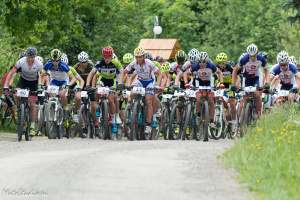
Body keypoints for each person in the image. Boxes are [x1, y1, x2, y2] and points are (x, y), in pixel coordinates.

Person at [119, 47, 161, 134]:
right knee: (132, 93)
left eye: (140, 57)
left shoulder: (149, 63)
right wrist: (120, 83)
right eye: (137, 57)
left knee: (148, 101)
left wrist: (157, 84)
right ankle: (130, 109)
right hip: (140, 81)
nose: (138, 59)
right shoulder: (134, 63)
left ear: (143, 56)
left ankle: (148, 124)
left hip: (149, 82)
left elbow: (159, 74)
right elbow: (124, 72)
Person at [3, 47, 43, 136]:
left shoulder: (39, 64)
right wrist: (6, 85)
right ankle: (19, 109)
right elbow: (11, 73)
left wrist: (40, 86)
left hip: (34, 83)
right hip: (23, 81)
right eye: (29, 57)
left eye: (32, 57)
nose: (30, 59)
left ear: (35, 56)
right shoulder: (21, 61)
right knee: (16, 94)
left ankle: (32, 125)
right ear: (26, 56)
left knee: (32, 104)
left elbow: (40, 75)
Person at [86, 46, 122, 139]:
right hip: (102, 80)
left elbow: (122, 73)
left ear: (111, 56)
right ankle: (98, 109)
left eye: (109, 57)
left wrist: (120, 83)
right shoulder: (99, 63)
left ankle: (113, 118)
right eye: (105, 57)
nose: (107, 59)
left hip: (112, 81)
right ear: (103, 56)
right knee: (97, 91)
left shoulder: (116, 62)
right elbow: (91, 73)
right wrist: (87, 84)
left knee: (111, 99)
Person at [183, 52, 223, 130]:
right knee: (198, 99)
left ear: (207, 61)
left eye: (204, 62)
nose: (202, 64)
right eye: (200, 61)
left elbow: (220, 73)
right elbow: (185, 73)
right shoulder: (195, 66)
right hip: (199, 84)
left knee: (211, 100)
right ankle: (198, 116)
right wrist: (186, 83)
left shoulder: (211, 65)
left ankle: (211, 121)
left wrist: (221, 83)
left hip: (209, 84)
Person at [232, 43, 269, 117]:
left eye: (254, 56)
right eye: (250, 56)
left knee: (257, 94)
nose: (252, 58)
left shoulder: (261, 59)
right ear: (248, 54)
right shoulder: (244, 59)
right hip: (246, 79)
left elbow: (266, 70)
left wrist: (267, 82)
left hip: (256, 78)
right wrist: (233, 84)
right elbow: (235, 71)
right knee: (244, 98)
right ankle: (240, 121)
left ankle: (259, 116)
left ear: (257, 53)